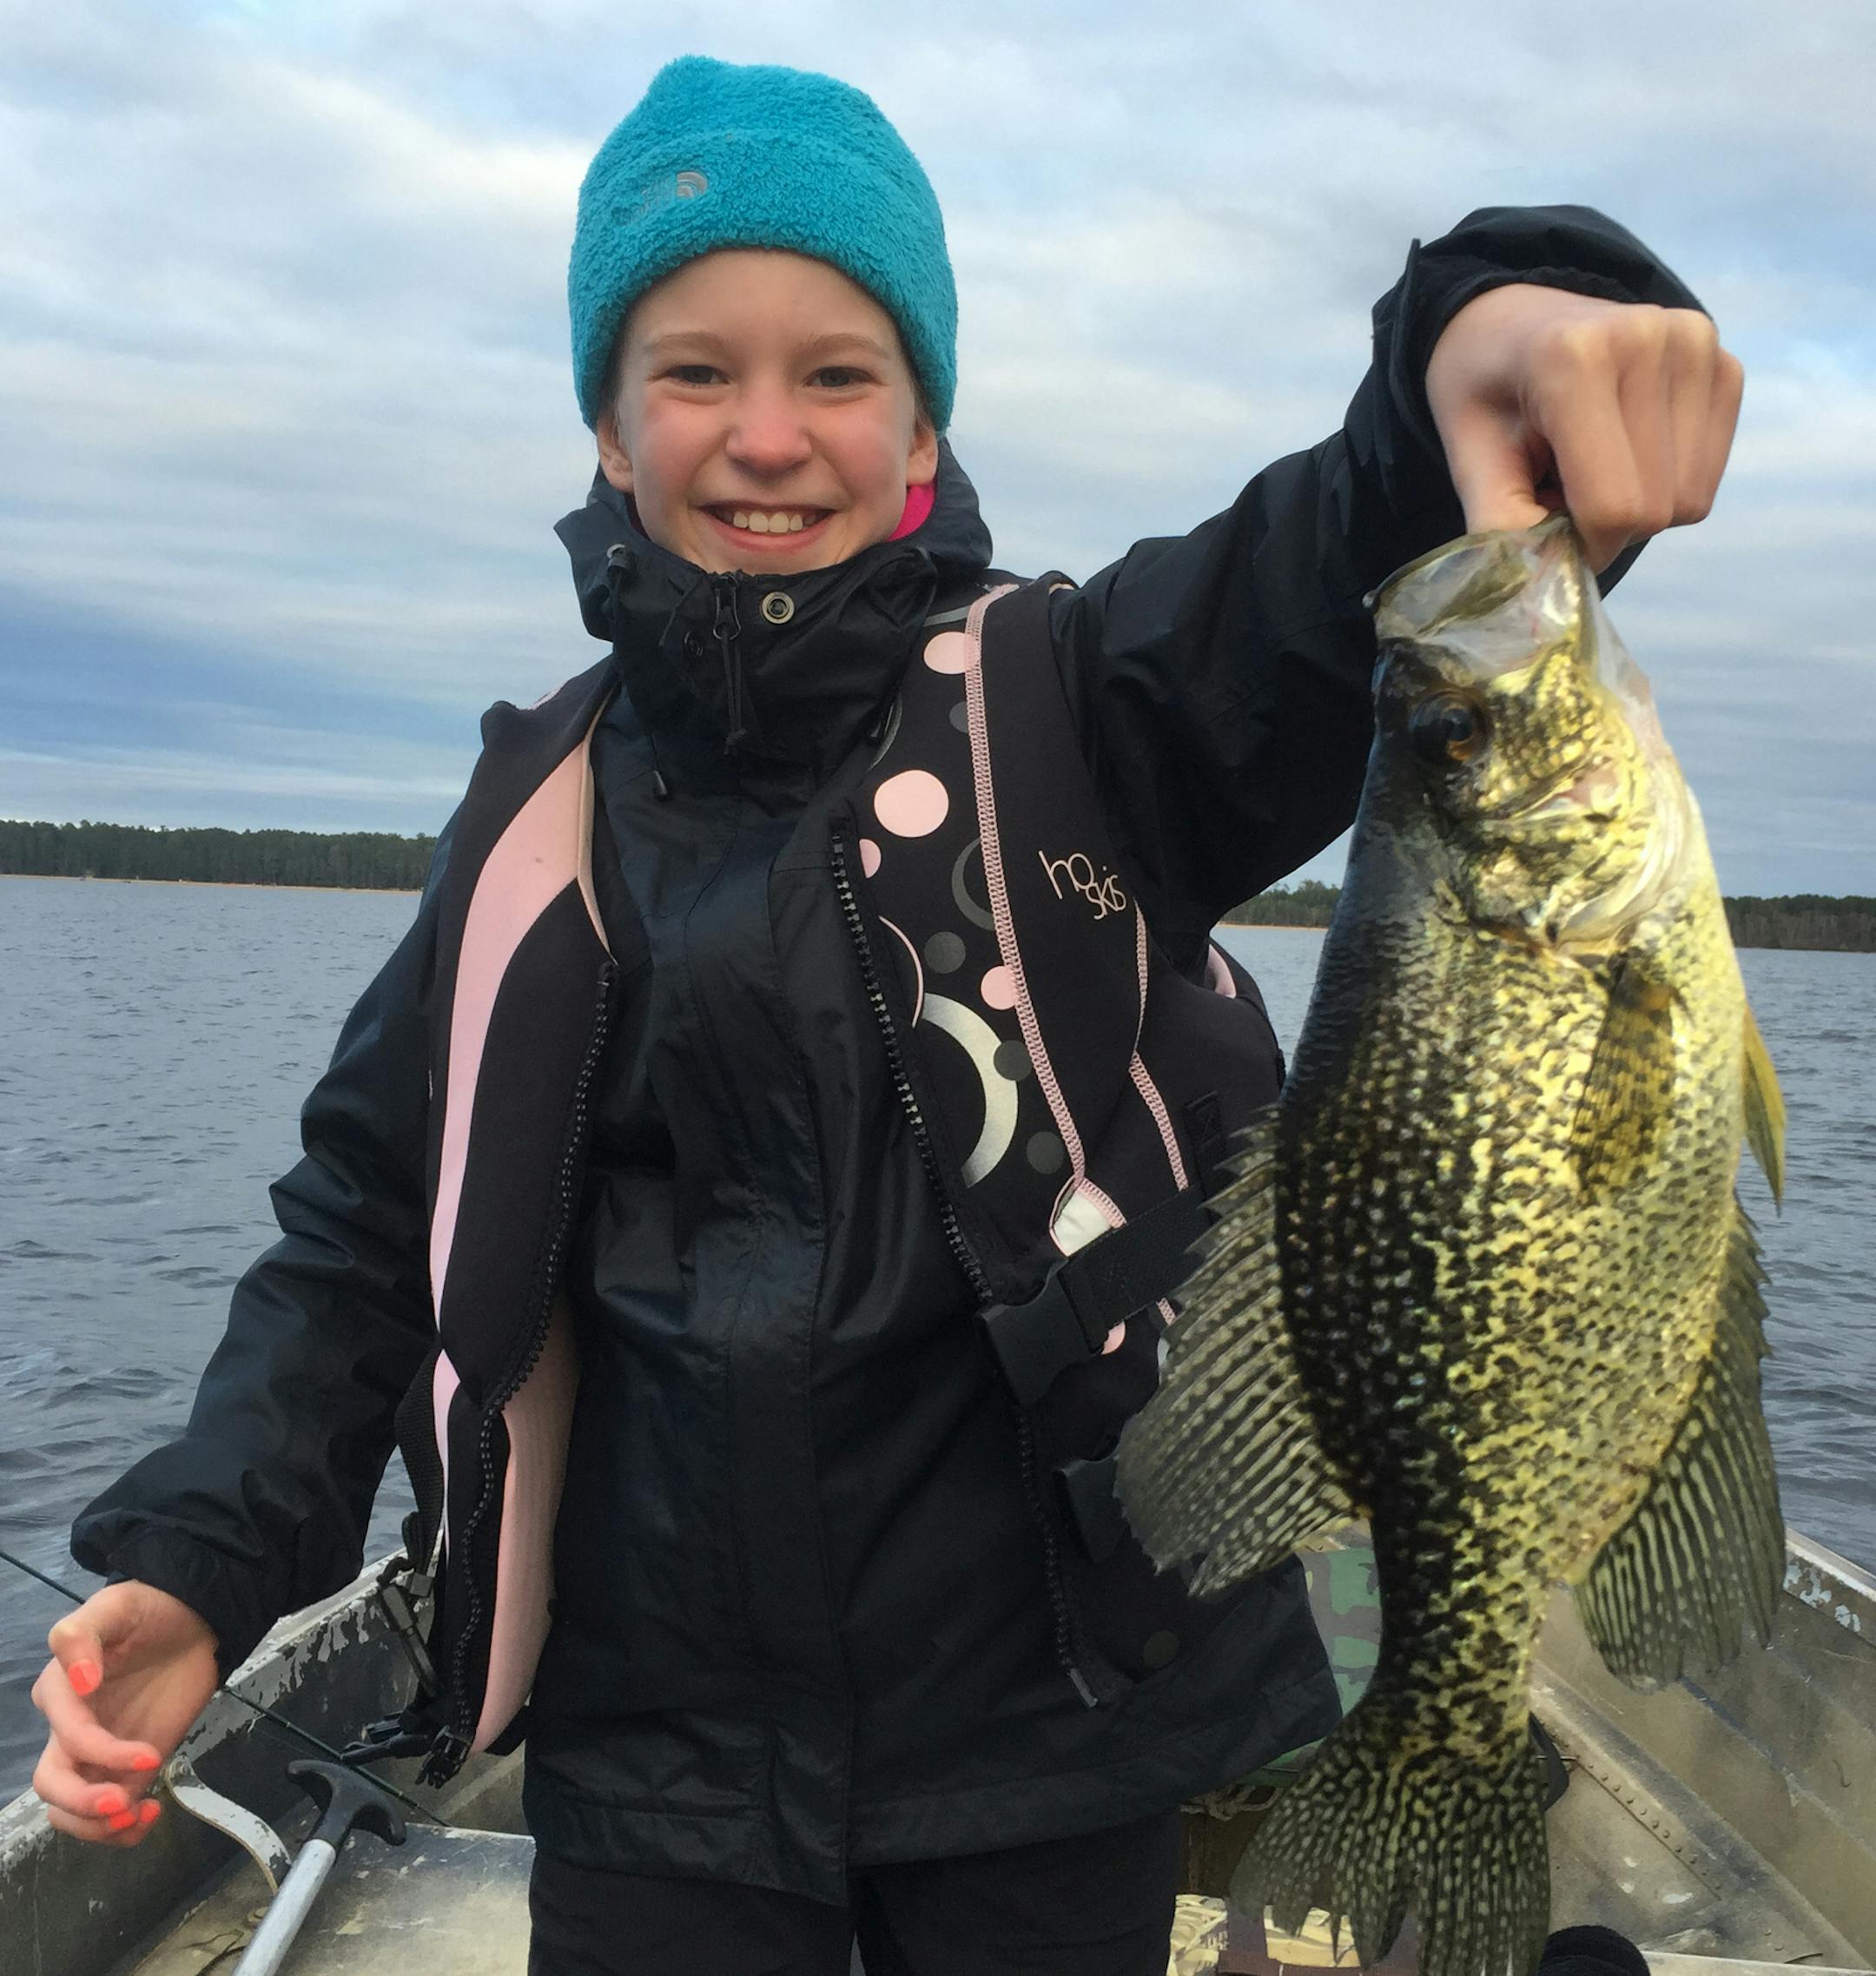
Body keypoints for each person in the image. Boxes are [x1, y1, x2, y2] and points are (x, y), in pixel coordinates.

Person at [30, 55, 1741, 1976]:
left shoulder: (1086, 707)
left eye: (838, 373)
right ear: (608, 427)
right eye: (695, 371)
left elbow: (1345, 543)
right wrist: (204, 1558)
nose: (768, 435)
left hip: (1050, 1744)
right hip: (653, 1764)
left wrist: (1485, 327)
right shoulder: (530, 826)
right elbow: (361, 1227)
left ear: (921, 419)